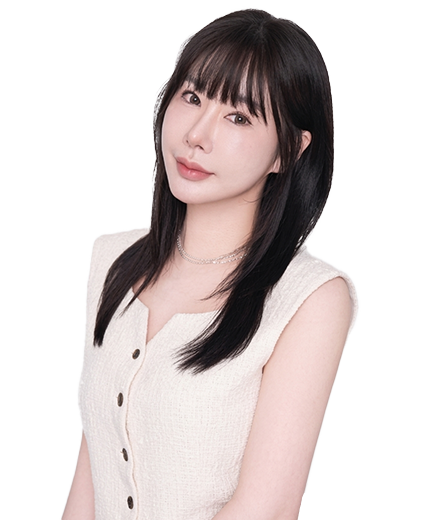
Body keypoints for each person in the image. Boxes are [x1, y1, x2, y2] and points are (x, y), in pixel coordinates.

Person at [62, 8, 357, 520]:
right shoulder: (112, 263)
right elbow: (95, 468)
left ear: (289, 150)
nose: (197, 134)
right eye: (193, 97)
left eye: (238, 117)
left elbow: (267, 508)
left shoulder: (310, 298)